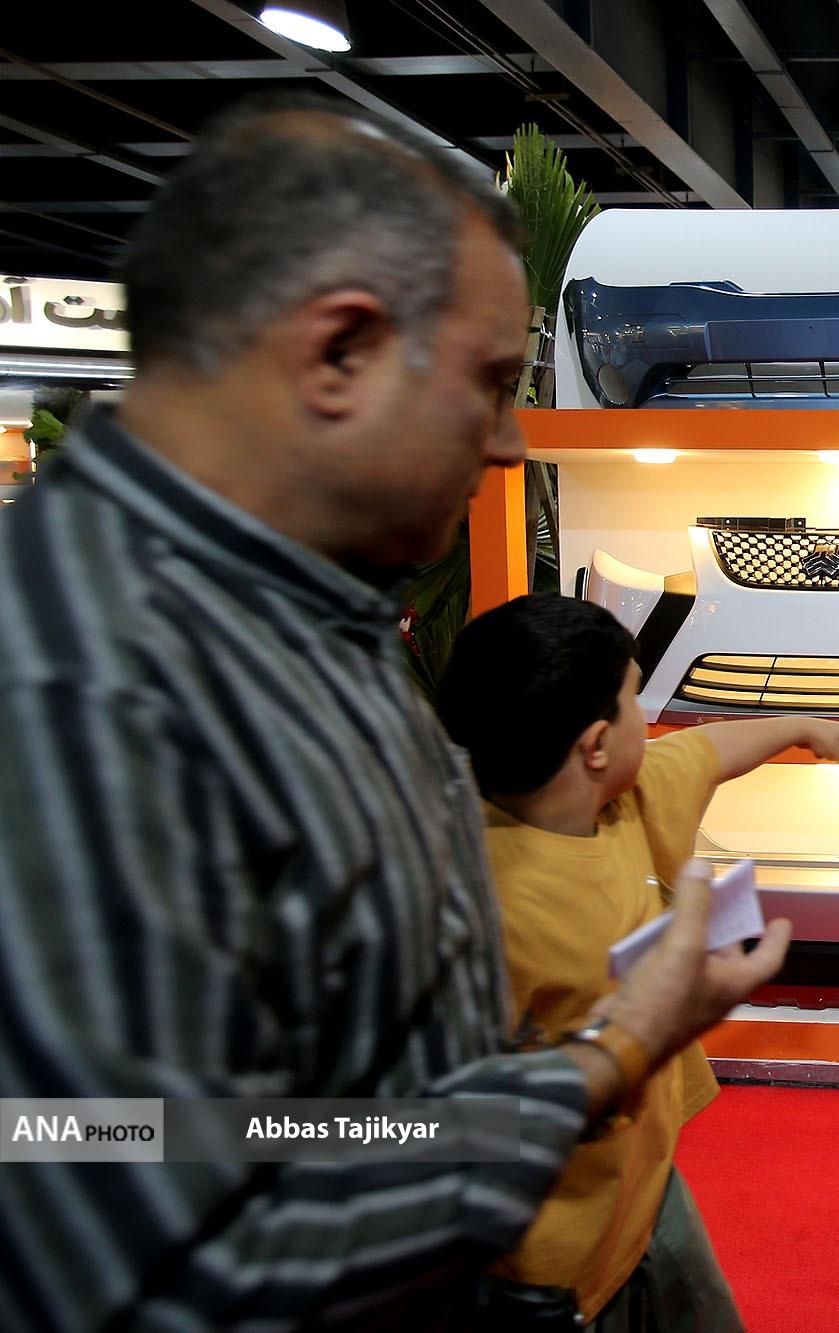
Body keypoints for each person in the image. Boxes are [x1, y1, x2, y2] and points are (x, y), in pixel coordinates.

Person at [0, 98, 788, 1330]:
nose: (509, 445)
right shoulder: (80, 683)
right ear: (339, 353)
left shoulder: (298, 610)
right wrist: (606, 1057)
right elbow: (124, 1179)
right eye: (488, 384)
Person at [436, 594, 839, 1330]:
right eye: (635, 700)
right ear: (597, 745)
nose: (650, 722)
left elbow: (710, 751)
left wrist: (802, 726)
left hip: (647, 1191)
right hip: (544, 1267)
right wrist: (626, 1049)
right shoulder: (474, 909)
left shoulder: (622, 797)